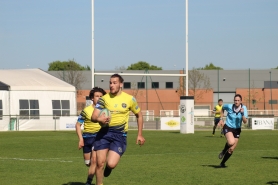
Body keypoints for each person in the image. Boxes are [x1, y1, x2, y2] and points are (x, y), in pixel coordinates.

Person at [91, 73, 145, 185]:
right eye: (110, 83)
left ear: (121, 84)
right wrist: (99, 120)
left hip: (119, 135)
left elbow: (139, 115)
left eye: (114, 83)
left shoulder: (130, 99)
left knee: (110, 164)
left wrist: (139, 134)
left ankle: (109, 168)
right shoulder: (103, 99)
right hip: (104, 133)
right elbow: (94, 116)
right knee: (100, 163)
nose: (111, 85)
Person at [75, 87, 107, 185]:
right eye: (97, 96)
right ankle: (93, 173)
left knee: (94, 161)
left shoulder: (105, 111)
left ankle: (88, 182)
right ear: (92, 98)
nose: (99, 98)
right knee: (88, 163)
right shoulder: (86, 110)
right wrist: (80, 139)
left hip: (98, 138)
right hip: (86, 138)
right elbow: (78, 125)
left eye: (101, 96)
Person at [217, 94, 248, 167]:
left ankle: (222, 163)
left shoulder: (244, 108)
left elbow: (245, 121)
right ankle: (224, 151)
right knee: (231, 142)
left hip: (237, 130)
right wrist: (221, 119)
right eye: (235, 100)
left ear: (241, 101)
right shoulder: (229, 106)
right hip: (228, 127)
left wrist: (242, 114)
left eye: (238, 100)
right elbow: (222, 108)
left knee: (231, 149)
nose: (236, 102)